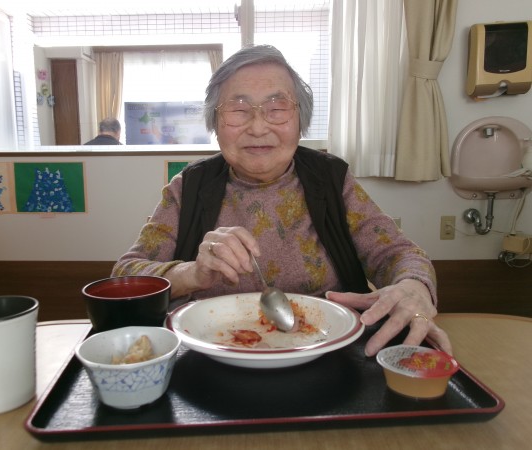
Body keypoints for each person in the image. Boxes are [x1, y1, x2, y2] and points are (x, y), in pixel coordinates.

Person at [112, 44, 452, 357]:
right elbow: (125, 276)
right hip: (208, 357)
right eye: (238, 110)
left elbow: (397, 253)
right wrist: (193, 274)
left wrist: (413, 286)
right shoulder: (189, 187)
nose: (258, 127)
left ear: (300, 120)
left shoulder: (331, 180)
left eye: (277, 108)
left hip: (325, 353)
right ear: (215, 122)